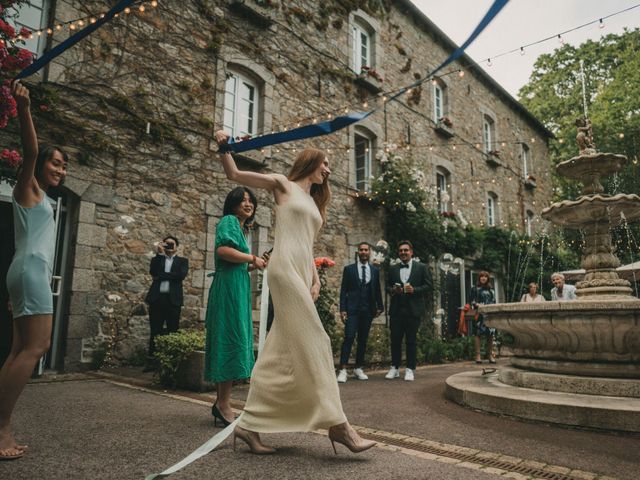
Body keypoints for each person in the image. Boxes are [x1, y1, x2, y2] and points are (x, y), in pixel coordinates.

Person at [215, 130, 375, 455]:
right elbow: (233, 174)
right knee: (318, 339)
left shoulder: (315, 202)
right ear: (310, 162)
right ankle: (338, 425)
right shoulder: (283, 186)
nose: (328, 169)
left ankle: (249, 426)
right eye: (325, 163)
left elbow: (307, 243)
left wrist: (315, 277)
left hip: (303, 271)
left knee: (278, 352)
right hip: (284, 268)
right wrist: (223, 146)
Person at [0, 81, 68, 460]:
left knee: (17, 350)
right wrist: (24, 109)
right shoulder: (28, 189)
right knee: (37, 347)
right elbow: (28, 150)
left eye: (63, 165)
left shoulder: (42, 197)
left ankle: (0, 426)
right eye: (55, 162)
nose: (60, 168)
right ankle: (1, 429)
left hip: (28, 271)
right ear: (41, 164)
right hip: (29, 270)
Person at [204, 187, 266, 427]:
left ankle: (222, 402)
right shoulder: (229, 221)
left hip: (237, 287)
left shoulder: (242, 228)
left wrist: (254, 265)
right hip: (229, 290)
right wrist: (252, 258)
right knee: (228, 340)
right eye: (243, 200)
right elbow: (223, 252)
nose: (248, 204)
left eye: (251, 200)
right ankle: (223, 404)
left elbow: (235, 262)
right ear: (232, 204)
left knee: (233, 340)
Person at [336, 242, 384, 383]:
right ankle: (343, 369)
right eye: (361, 250)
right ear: (358, 252)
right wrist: (343, 309)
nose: (364, 252)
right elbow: (343, 290)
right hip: (352, 310)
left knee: (363, 340)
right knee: (349, 337)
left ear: (369, 252)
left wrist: (379, 306)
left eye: (366, 250)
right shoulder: (349, 270)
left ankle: (358, 368)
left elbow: (377, 290)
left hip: (367, 310)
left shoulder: (374, 270)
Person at [385, 241, 432, 382]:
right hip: (396, 310)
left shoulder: (422, 267)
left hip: (413, 310)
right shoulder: (392, 269)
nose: (403, 253)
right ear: (398, 253)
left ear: (411, 252)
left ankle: (410, 369)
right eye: (401, 250)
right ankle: (394, 367)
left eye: (406, 250)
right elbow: (387, 286)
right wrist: (393, 290)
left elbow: (429, 286)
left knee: (411, 341)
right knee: (395, 340)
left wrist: (415, 290)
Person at [144, 235, 189, 370]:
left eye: (172, 244)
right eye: (167, 244)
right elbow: (153, 272)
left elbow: (180, 276)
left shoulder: (182, 261)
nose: (169, 246)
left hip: (173, 301)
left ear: (176, 247)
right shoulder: (157, 259)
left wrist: (162, 275)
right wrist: (159, 253)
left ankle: (170, 363)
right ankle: (152, 363)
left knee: (172, 331)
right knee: (155, 331)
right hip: (157, 299)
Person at [468, 271, 496, 364]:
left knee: (491, 334)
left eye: (485, 276)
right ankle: (478, 355)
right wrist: (476, 304)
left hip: (489, 314)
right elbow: (471, 301)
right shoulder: (475, 289)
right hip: (479, 314)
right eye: (481, 276)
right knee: (477, 334)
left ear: (488, 278)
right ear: (479, 278)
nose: (483, 278)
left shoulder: (491, 290)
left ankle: (490, 355)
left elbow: (494, 301)